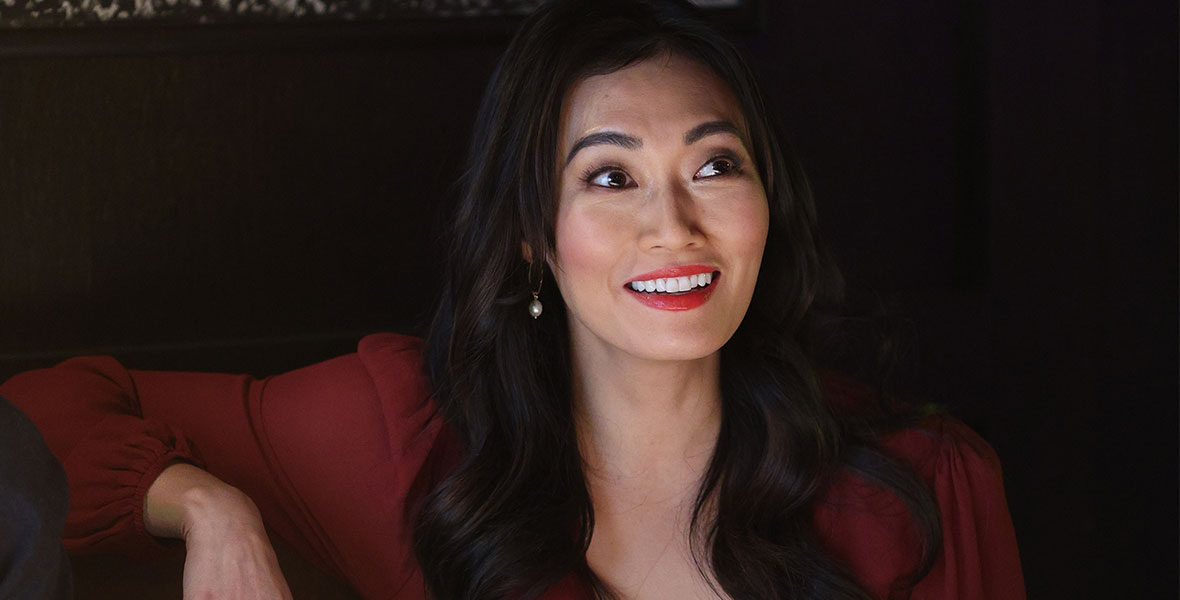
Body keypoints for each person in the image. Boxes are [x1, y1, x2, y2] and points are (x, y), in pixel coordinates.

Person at [0, 0, 1025, 598]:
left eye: (714, 167)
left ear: (767, 203)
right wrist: (210, 512)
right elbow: (43, 413)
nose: (674, 227)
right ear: (532, 233)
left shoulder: (922, 489)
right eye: (610, 177)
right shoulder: (401, 436)